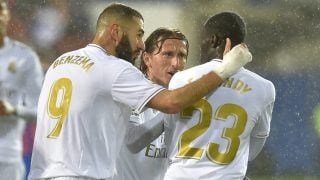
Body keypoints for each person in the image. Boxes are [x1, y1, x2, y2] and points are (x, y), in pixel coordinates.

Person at [28, 3, 252, 180]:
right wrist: (226, 69)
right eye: (138, 34)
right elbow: (172, 102)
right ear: (115, 32)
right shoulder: (114, 68)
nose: (141, 44)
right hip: (81, 175)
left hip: (41, 173)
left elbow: (133, 139)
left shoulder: (61, 62)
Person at [164, 12, 275, 180]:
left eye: (202, 40)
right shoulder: (263, 88)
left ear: (213, 40)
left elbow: (169, 135)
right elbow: (257, 142)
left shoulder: (181, 79)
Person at [114, 27, 189, 180]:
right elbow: (133, 142)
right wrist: (174, 106)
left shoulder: (187, 105)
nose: (176, 63)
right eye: (167, 54)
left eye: (181, 55)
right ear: (147, 59)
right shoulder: (127, 92)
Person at [0, 0, 44, 180]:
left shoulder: (24, 57)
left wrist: (13, 110)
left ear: (7, 15)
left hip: (8, 157)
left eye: (0, 10)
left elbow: (42, 111)